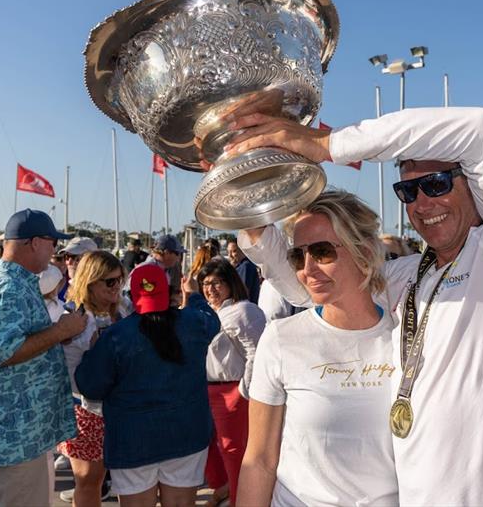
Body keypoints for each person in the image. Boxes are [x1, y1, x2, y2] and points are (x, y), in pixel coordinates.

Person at [227, 107, 483, 504]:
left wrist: (327, 145)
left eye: (437, 184)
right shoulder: (409, 275)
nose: (423, 203)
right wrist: (248, 206)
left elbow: (480, 128)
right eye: (408, 191)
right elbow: (315, 287)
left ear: (476, 183)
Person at [238, 191, 414, 503]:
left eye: (321, 252)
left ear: (362, 252)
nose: (307, 269)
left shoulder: (406, 340)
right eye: (297, 256)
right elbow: (260, 460)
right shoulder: (282, 338)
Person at [0, 209, 87, 507]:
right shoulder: (7, 287)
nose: (55, 250)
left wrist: (58, 335)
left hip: (20, 434)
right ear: (34, 242)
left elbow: (19, 341)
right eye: (52, 242)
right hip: (12, 437)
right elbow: (5, 351)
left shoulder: (17, 282)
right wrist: (59, 332)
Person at [74, 264, 220, 506]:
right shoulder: (194, 322)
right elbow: (212, 319)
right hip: (186, 433)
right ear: (168, 293)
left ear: (131, 296)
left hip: (133, 440)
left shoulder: (116, 336)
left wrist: (92, 352)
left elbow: (90, 386)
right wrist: (193, 295)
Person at [58, 250, 132, 507]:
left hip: (119, 408)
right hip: (85, 409)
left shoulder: (122, 311)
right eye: (109, 282)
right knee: (89, 480)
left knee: (123, 479)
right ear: (90, 281)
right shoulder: (74, 317)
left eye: (119, 280)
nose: (117, 287)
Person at [197, 259, 266, 506]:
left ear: (230, 283)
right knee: (208, 445)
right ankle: (223, 488)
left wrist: (243, 391)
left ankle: (239, 499)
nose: (210, 288)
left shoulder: (244, 311)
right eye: (205, 283)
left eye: (217, 282)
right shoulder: (206, 311)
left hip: (231, 389)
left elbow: (257, 353)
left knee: (233, 452)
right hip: (206, 388)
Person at [143, 234, 186, 301]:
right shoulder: (148, 270)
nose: (178, 258)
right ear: (167, 253)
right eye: (177, 254)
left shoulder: (162, 269)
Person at [227, 239, 260, 304]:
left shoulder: (246, 266)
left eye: (234, 251)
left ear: (242, 251)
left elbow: (243, 293)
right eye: (228, 252)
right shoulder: (239, 266)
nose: (230, 255)